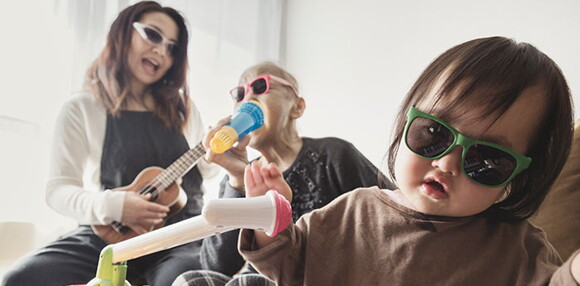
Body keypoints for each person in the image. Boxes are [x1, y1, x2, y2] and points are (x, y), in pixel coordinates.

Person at [237, 37, 580, 285]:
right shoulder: (353, 212)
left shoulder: (518, 249)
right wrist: (271, 217)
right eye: (433, 134)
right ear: (405, 125)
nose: (447, 164)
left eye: (487, 160)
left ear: (517, 179)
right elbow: (289, 262)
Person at [2, 2, 217, 285]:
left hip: (179, 237)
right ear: (123, 33)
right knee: (20, 278)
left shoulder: (184, 109)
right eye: (153, 35)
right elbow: (57, 190)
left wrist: (223, 153)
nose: (162, 51)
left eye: (172, 48)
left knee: (180, 281)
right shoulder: (81, 108)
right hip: (112, 233)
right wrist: (112, 205)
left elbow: (207, 171)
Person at [172, 61, 395, 286]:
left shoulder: (334, 154)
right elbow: (215, 265)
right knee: (190, 281)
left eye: (260, 87)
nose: (246, 100)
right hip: (259, 277)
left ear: (297, 107)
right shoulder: (238, 177)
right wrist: (237, 180)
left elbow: (397, 211)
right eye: (239, 94)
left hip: (324, 278)